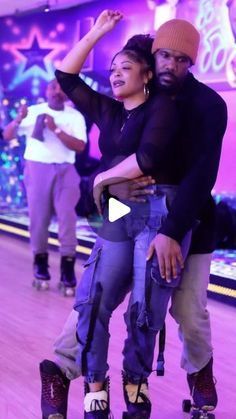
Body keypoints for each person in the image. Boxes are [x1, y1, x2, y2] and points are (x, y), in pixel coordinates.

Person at [39, 14, 227, 419]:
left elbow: (201, 175)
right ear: (151, 57)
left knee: (187, 312)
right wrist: (110, 189)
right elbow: (116, 152)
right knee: (94, 298)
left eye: (181, 60)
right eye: (164, 55)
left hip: (185, 215)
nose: (170, 65)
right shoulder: (130, 101)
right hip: (126, 208)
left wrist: (171, 231)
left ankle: (197, 374)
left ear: (192, 63)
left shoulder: (208, 105)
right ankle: (61, 368)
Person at [3, 79, 87, 296]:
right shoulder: (33, 111)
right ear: (46, 90)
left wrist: (55, 129)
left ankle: (68, 269)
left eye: (61, 87)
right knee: (38, 220)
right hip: (37, 168)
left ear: (66, 92)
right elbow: (8, 135)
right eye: (53, 87)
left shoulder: (74, 116)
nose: (57, 91)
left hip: (66, 170)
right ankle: (40, 264)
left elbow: (80, 146)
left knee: (67, 219)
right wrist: (19, 118)